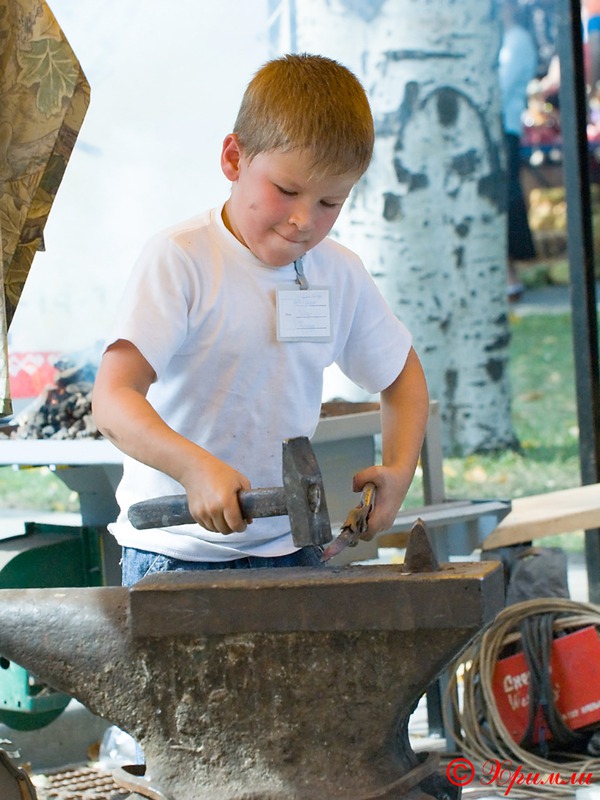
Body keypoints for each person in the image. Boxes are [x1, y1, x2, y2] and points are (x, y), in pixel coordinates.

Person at [92, 53, 430, 587]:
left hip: (294, 551)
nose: (304, 220)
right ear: (234, 158)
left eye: (329, 202)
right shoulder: (180, 260)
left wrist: (398, 469)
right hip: (176, 556)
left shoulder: (338, 272)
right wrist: (192, 467)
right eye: (287, 191)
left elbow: (403, 377)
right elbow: (112, 400)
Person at [499, 0, 539, 301]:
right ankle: (507, 275)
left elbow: (500, 88)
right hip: (499, 130)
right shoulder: (504, 40)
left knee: (506, 201)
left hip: (506, 129)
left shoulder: (518, 41)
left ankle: (511, 276)